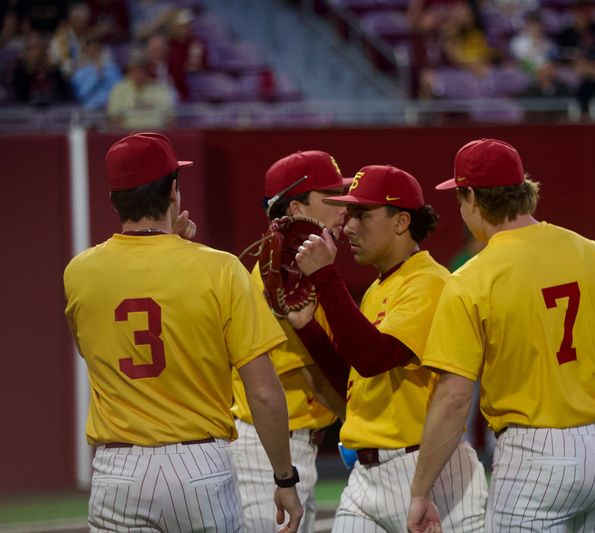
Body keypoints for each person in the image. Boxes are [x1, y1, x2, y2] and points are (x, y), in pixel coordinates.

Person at [407, 138, 595, 532]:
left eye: (460, 198)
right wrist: (592, 390)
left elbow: (454, 399)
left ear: (472, 196)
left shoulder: (471, 278)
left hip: (534, 456)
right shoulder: (593, 252)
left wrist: (420, 492)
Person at [63, 132, 303, 532]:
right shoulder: (221, 269)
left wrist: (165, 252)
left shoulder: (79, 273)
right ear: (173, 191)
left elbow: (98, 349)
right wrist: (283, 476)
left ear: (113, 199)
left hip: (118, 467)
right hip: (198, 465)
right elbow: (262, 391)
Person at [292, 164, 487, 532]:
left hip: (428, 475)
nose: (348, 226)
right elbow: (354, 382)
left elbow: (373, 358)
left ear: (400, 222)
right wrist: (309, 331)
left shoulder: (430, 281)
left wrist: (326, 277)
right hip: (367, 477)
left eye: (362, 215)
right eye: (349, 215)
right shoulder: (380, 288)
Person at [232, 150, 349, 533]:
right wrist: (364, 422)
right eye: (331, 196)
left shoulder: (302, 268)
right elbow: (315, 376)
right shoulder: (283, 275)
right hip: (268, 453)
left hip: (289, 448)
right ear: (298, 207)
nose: (343, 206)